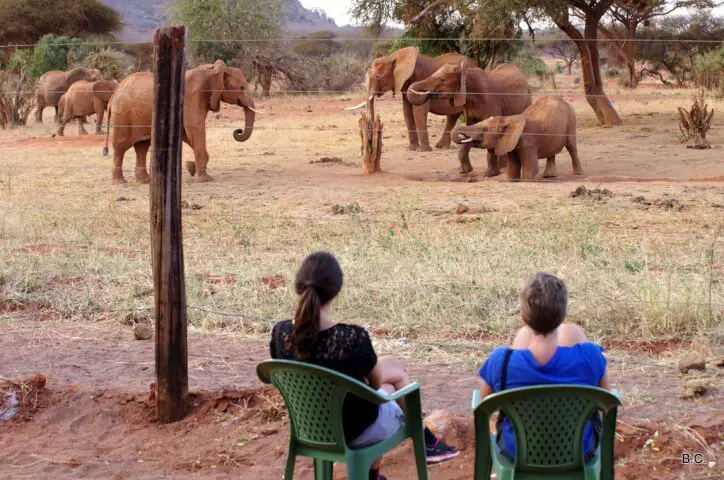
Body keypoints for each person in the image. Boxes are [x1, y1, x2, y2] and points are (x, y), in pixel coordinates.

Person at [270, 251, 459, 480]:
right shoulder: (352, 338)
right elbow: (376, 383)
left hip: (309, 429)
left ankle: (385, 467)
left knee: (392, 368)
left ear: (299, 286)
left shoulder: (280, 333)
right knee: (390, 388)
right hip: (356, 431)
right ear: (336, 290)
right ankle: (417, 444)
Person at [477, 272, 609, 461]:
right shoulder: (590, 355)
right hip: (578, 451)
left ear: (523, 318)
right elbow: (607, 404)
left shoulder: (501, 360)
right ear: (564, 317)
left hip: (519, 453)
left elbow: (484, 407)